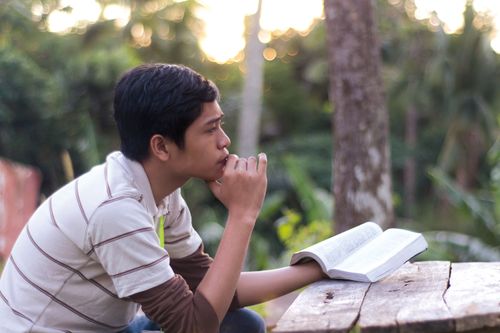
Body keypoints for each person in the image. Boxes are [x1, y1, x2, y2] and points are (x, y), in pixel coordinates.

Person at [0, 63, 325, 333]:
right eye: (210, 129)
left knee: (240, 324)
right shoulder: (115, 209)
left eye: (220, 126)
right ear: (162, 147)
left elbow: (211, 287)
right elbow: (194, 327)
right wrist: (242, 215)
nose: (224, 141)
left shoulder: (160, 192)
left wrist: (321, 269)